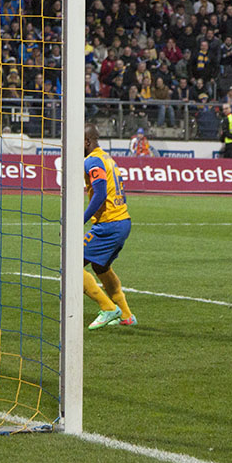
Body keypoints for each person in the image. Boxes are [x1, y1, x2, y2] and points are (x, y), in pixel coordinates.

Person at [82, 123, 136, 329]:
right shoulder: (106, 158)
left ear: (86, 141)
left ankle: (108, 308)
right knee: (100, 266)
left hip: (109, 224)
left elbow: (100, 193)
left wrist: (80, 220)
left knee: (70, 265)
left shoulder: (92, 160)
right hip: (122, 221)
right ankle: (126, 315)